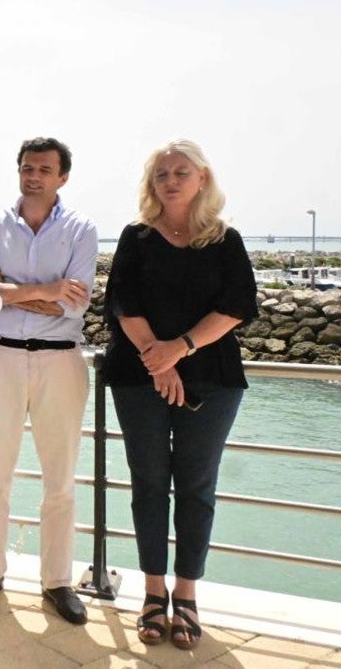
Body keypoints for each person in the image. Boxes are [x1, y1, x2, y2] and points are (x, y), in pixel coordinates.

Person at [102, 139, 257, 649]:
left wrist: (179, 350)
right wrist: (157, 357)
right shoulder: (136, 237)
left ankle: (186, 595)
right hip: (137, 375)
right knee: (148, 483)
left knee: (196, 486)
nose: (170, 180)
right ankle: (152, 592)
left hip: (211, 377)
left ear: (202, 179)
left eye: (181, 172)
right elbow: (121, 301)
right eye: (162, 173)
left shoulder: (225, 240)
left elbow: (237, 306)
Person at [0, 137, 97, 625]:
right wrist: (41, 290)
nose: (33, 175)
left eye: (44, 169)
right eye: (27, 167)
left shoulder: (81, 229)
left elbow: (71, 303)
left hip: (60, 361)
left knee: (61, 479)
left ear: (62, 177)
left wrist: (15, 293)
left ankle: (57, 582)